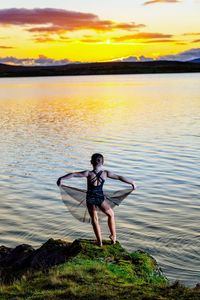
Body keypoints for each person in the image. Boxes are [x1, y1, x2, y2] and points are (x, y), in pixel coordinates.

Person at [57, 153, 136, 247]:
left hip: (90, 198)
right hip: (100, 199)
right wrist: (132, 182)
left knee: (95, 219)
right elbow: (119, 177)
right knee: (111, 214)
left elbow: (73, 174)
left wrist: (61, 178)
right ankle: (113, 237)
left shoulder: (88, 173)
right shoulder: (105, 173)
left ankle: (99, 242)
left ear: (91, 162)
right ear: (103, 162)